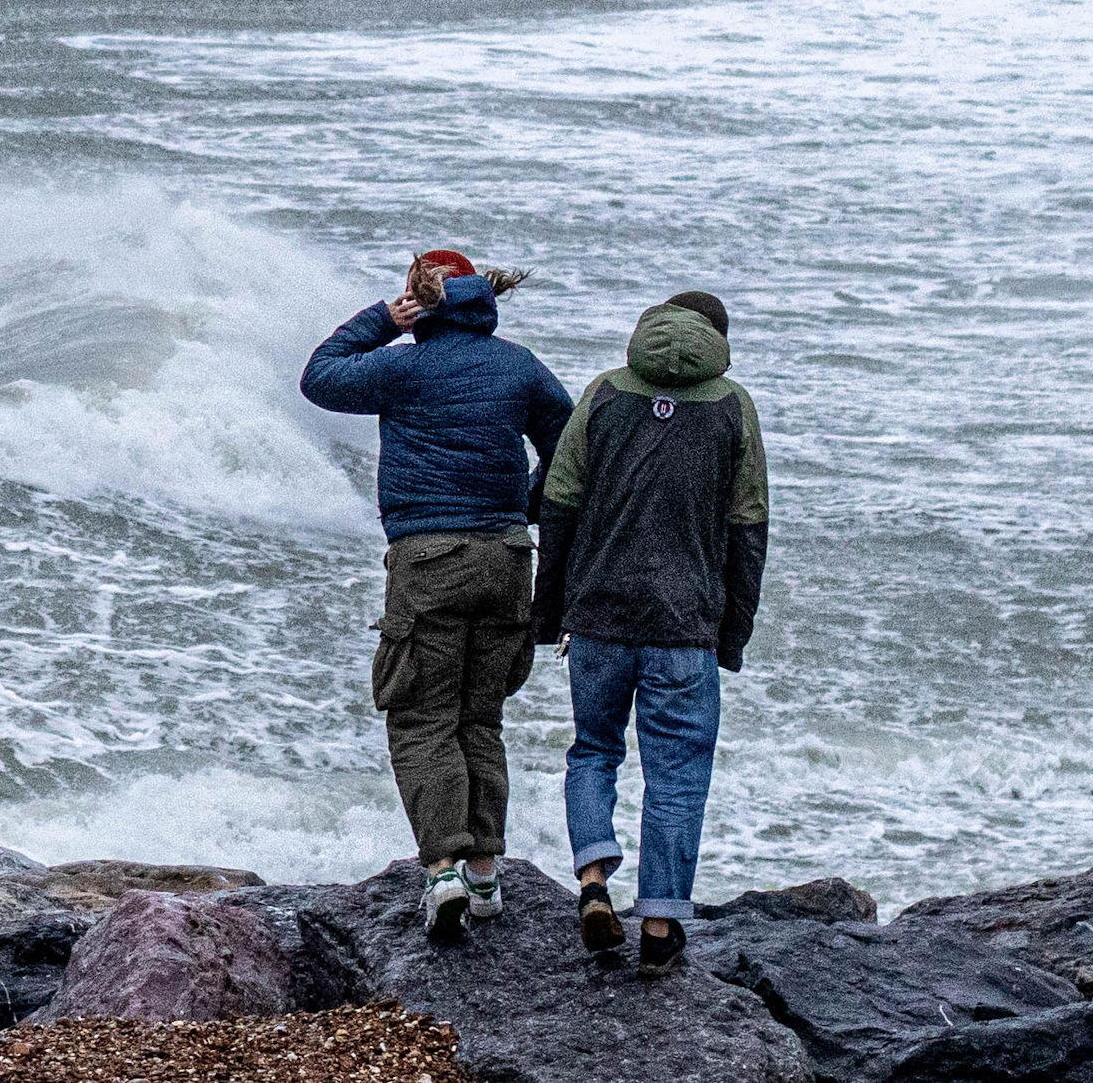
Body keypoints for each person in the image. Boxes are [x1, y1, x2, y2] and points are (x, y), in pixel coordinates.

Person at [300, 245, 574, 943]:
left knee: (422, 718)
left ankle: (444, 868)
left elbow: (320, 378)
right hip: (509, 557)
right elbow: (569, 446)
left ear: (420, 299)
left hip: (429, 558)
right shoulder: (519, 365)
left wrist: (383, 320)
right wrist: (530, 503)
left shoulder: (404, 364)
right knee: (479, 718)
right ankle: (485, 875)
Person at [530, 290, 768, 979]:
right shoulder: (732, 407)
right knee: (676, 775)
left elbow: (559, 504)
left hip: (598, 616)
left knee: (593, 751)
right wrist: (733, 636)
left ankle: (594, 884)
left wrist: (551, 614)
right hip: (683, 626)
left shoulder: (604, 393)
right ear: (716, 340)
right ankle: (660, 923)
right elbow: (747, 530)